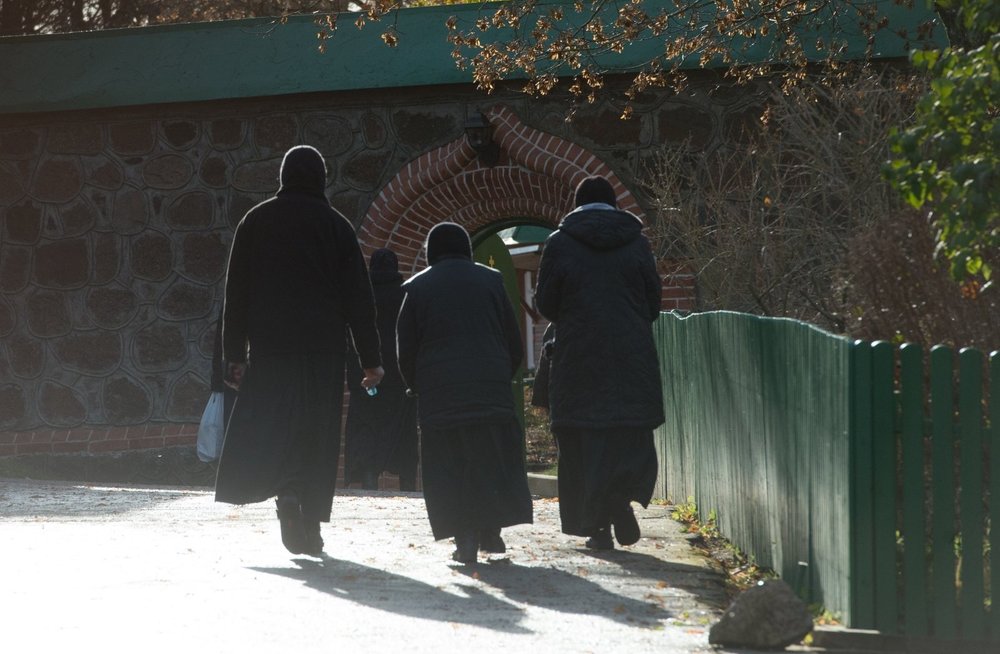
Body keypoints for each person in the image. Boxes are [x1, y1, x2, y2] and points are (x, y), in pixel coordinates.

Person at [214, 144, 384, 556]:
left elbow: (235, 294)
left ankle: (286, 492)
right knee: (318, 434)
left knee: (277, 427)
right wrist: (371, 361)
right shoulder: (337, 227)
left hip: (271, 349)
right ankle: (311, 521)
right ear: (321, 177)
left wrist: (234, 354)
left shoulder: (255, 222)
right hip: (324, 352)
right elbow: (358, 299)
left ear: (283, 176)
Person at [533, 175, 663, 550]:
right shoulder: (637, 243)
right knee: (627, 432)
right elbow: (652, 302)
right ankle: (620, 498)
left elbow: (546, 303)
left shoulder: (559, 243)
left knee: (582, 439)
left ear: (577, 204)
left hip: (578, 355)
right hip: (630, 355)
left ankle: (597, 526)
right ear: (614, 205)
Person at [396, 222, 533, 563]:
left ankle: (465, 536)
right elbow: (513, 340)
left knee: (450, 466)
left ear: (431, 252)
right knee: (491, 460)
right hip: (490, 390)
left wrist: (417, 384)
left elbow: (406, 349)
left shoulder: (418, 288)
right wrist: (502, 374)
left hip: (441, 395)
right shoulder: (492, 282)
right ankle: (492, 530)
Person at [344, 248, 419, 492]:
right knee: (403, 434)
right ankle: (406, 483)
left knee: (368, 432)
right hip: (400, 379)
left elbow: (352, 334)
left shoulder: (361, 294)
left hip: (367, 377)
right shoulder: (407, 294)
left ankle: (368, 481)